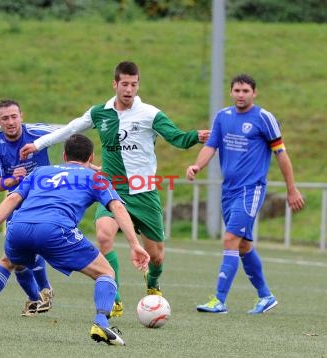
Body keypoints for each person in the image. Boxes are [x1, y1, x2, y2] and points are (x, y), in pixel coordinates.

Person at [20, 61, 209, 316]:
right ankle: (115, 297)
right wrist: (39, 144)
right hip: (113, 189)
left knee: (157, 257)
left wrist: (195, 137)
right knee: (104, 235)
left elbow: (176, 137)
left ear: (138, 84)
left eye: (134, 84)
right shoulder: (101, 113)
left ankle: (152, 284)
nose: (129, 89)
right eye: (124, 84)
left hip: (144, 191)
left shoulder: (150, 114)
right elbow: (71, 128)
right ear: (115, 84)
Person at [0, 134, 150, 345]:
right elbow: (116, 207)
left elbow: (13, 198)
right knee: (105, 272)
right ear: (91, 156)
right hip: (55, 229)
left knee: (6, 262)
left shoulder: (41, 171)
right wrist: (135, 244)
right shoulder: (96, 178)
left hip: (19, 227)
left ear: (64, 155)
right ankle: (101, 323)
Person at [187, 74, 305, 314]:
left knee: (230, 239)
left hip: (251, 190)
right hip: (228, 190)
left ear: (254, 93)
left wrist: (291, 189)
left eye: (245, 91)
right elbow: (211, 146)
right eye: (237, 90)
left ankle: (218, 300)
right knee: (243, 246)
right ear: (231, 92)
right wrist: (197, 165)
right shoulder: (222, 116)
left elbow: (281, 154)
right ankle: (265, 296)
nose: (241, 95)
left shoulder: (264, 118)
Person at [0, 99, 55, 316]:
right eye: (5, 118)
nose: (11, 121)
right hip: (15, 201)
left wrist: (81, 163)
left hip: (42, 199)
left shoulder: (37, 132)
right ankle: (37, 298)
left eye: (14, 116)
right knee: (15, 257)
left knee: (33, 245)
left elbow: (69, 132)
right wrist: (11, 180)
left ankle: (43, 292)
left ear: (21, 116)